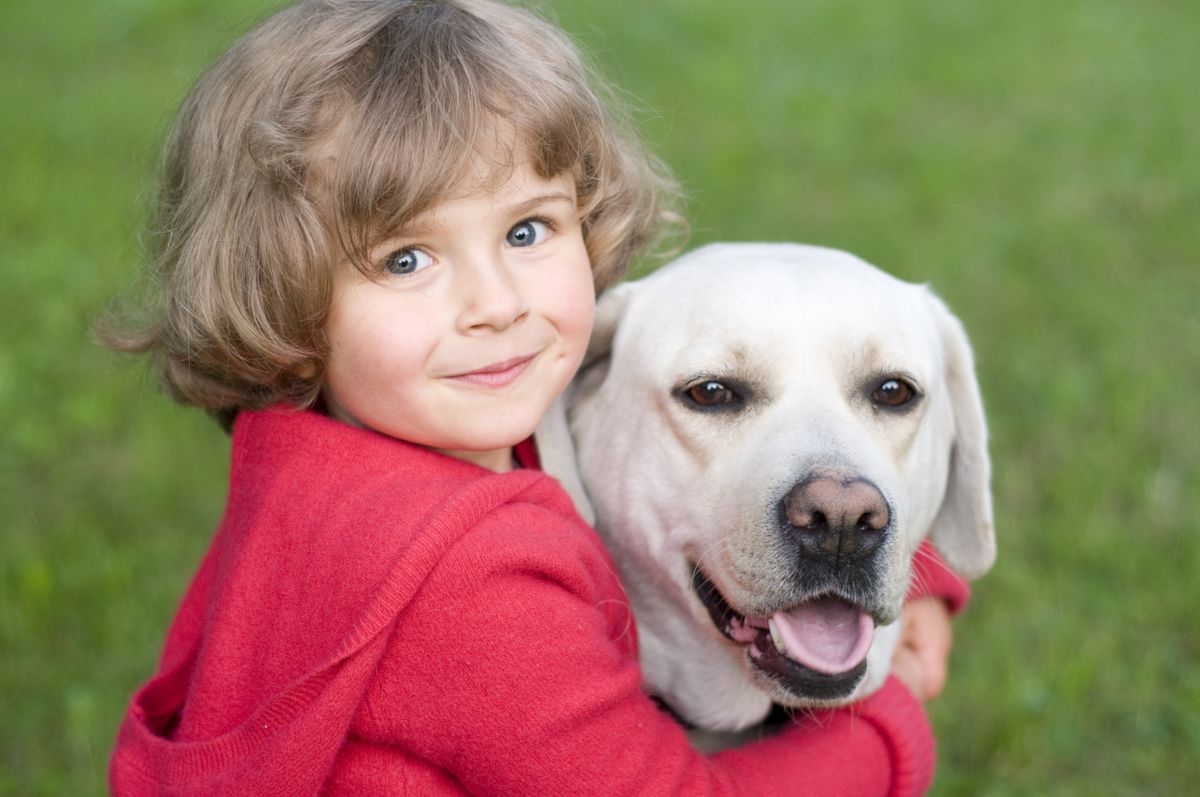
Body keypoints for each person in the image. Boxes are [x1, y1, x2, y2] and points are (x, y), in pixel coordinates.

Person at [105, 1, 968, 793]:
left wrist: (903, 573)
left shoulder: (326, 457)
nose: (496, 304)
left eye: (525, 230)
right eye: (407, 259)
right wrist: (892, 718)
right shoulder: (470, 585)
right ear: (287, 300)